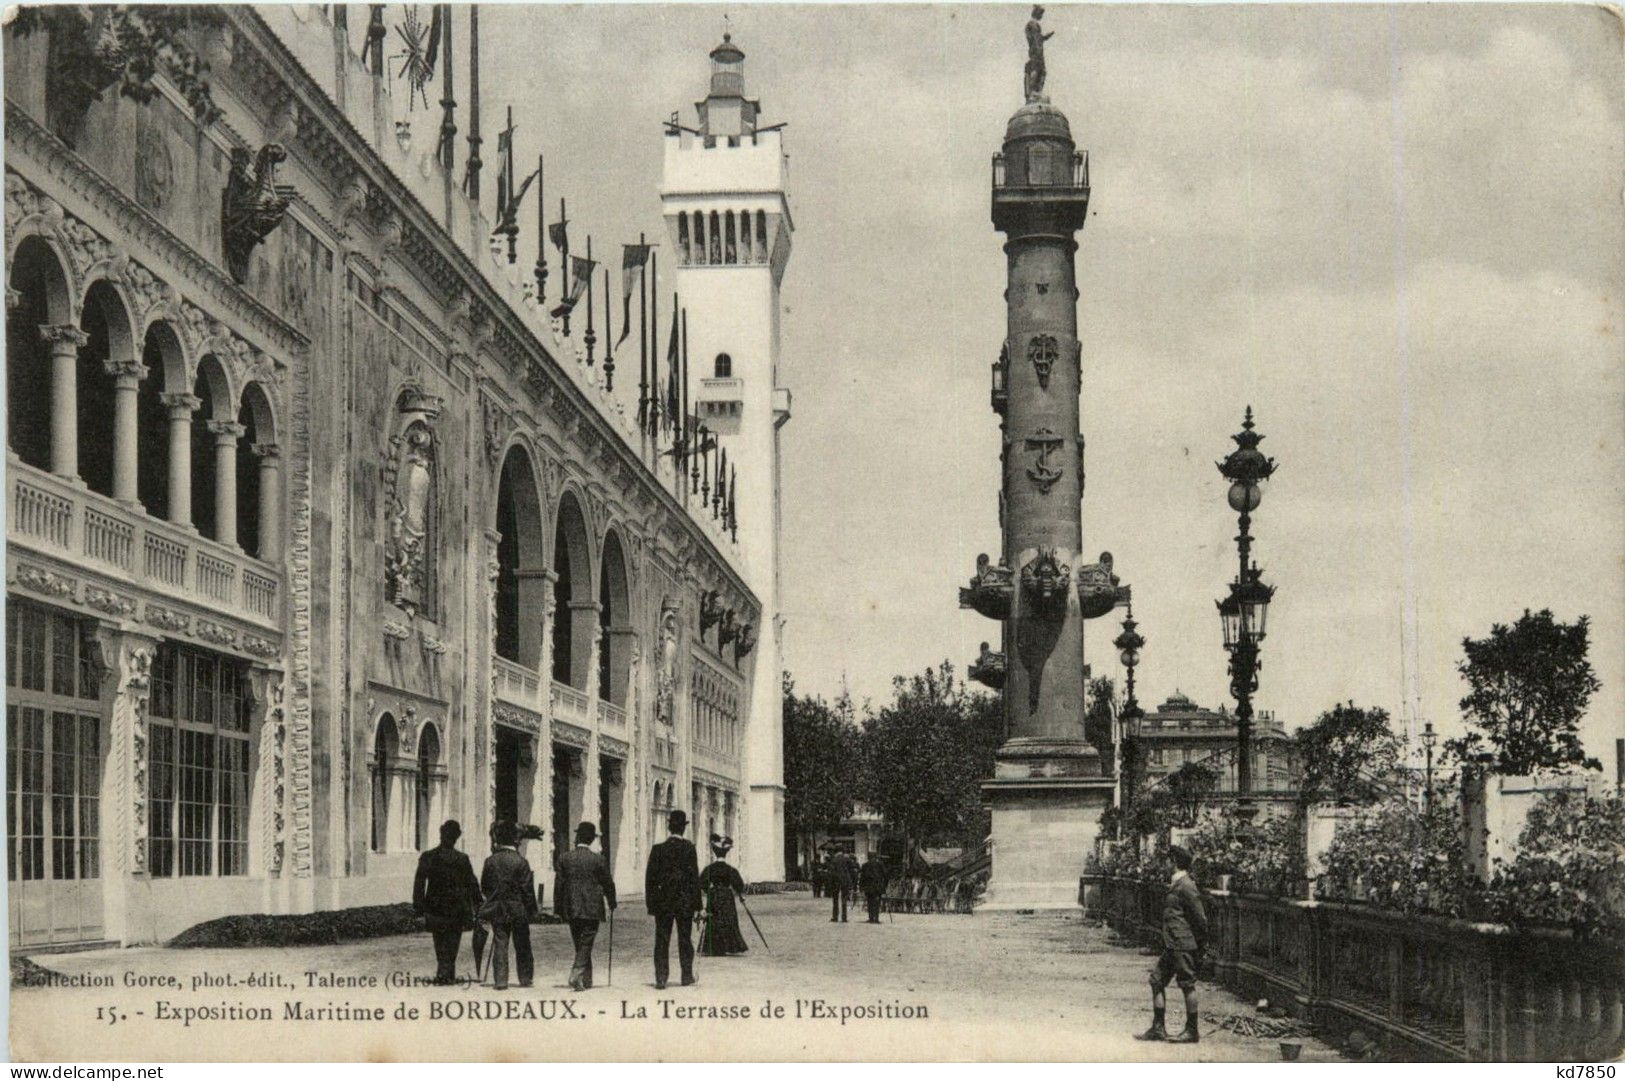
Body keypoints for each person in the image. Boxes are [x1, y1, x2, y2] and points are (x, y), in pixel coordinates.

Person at [1135, 844, 1208, 1044]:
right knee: (1156, 981)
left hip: (1183, 944)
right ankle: (1158, 1028)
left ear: (1174, 862)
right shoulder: (1176, 883)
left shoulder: (1186, 885)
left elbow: (1200, 919)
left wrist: (1200, 945)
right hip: (1172, 943)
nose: (1165, 864)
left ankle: (1192, 1030)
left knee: (1187, 984)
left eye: (1167, 860)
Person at [412, 820, 482, 984]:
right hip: (457, 909)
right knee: (453, 941)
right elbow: (472, 884)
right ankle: (446, 972)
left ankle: (444, 972)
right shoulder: (462, 859)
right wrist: (478, 904)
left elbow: (419, 885)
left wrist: (419, 909)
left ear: (441, 833)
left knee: (440, 940)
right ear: (457, 837)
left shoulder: (428, 857)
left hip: (435, 908)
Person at [553, 821, 617, 991]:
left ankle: (586, 980)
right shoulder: (598, 860)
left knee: (580, 942)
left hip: (572, 907)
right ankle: (576, 973)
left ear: (577, 837)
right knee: (587, 941)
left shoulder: (565, 858)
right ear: (592, 840)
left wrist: (558, 908)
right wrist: (612, 901)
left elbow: (558, 885)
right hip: (592, 907)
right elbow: (608, 883)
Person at [479, 819, 539, 990]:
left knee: (500, 942)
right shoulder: (521, 862)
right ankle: (525, 978)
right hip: (518, 909)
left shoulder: (490, 861)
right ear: (516, 840)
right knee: (523, 944)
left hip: (498, 908)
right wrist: (532, 910)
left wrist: (494, 897)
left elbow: (485, 886)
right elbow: (527, 890)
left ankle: (500, 980)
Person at [645, 809, 701, 989]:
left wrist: (651, 904)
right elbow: (694, 879)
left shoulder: (658, 849)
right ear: (683, 829)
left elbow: (650, 880)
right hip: (684, 902)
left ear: (669, 827)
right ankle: (686, 975)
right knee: (685, 939)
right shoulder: (689, 849)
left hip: (663, 903)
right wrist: (698, 905)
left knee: (661, 940)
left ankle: (661, 977)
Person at [698, 835, 748, 956]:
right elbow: (739, 884)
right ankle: (728, 945)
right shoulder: (730, 869)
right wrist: (740, 895)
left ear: (715, 854)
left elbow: (702, 883)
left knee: (714, 919)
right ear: (726, 854)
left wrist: (709, 890)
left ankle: (714, 946)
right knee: (728, 919)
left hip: (714, 894)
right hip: (726, 895)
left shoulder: (710, 868)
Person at [858, 852, 888, 924]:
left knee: (870, 902)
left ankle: (871, 917)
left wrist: (861, 887)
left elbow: (862, 877)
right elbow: (886, 875)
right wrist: (884, 885)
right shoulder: (880, 864)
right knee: (877, 902)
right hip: (878, 886)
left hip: (869, 887)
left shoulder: (865, 865)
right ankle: (876, 918)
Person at [828, 850, 855, 923]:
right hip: (845, 881)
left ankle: (835, 916)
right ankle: (844, 917)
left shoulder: (834, 860)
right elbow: (852, 869)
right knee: (844, 899)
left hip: (836, 881)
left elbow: (831, 872)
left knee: (835, 900)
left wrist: (830, 882)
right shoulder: (847, 859)